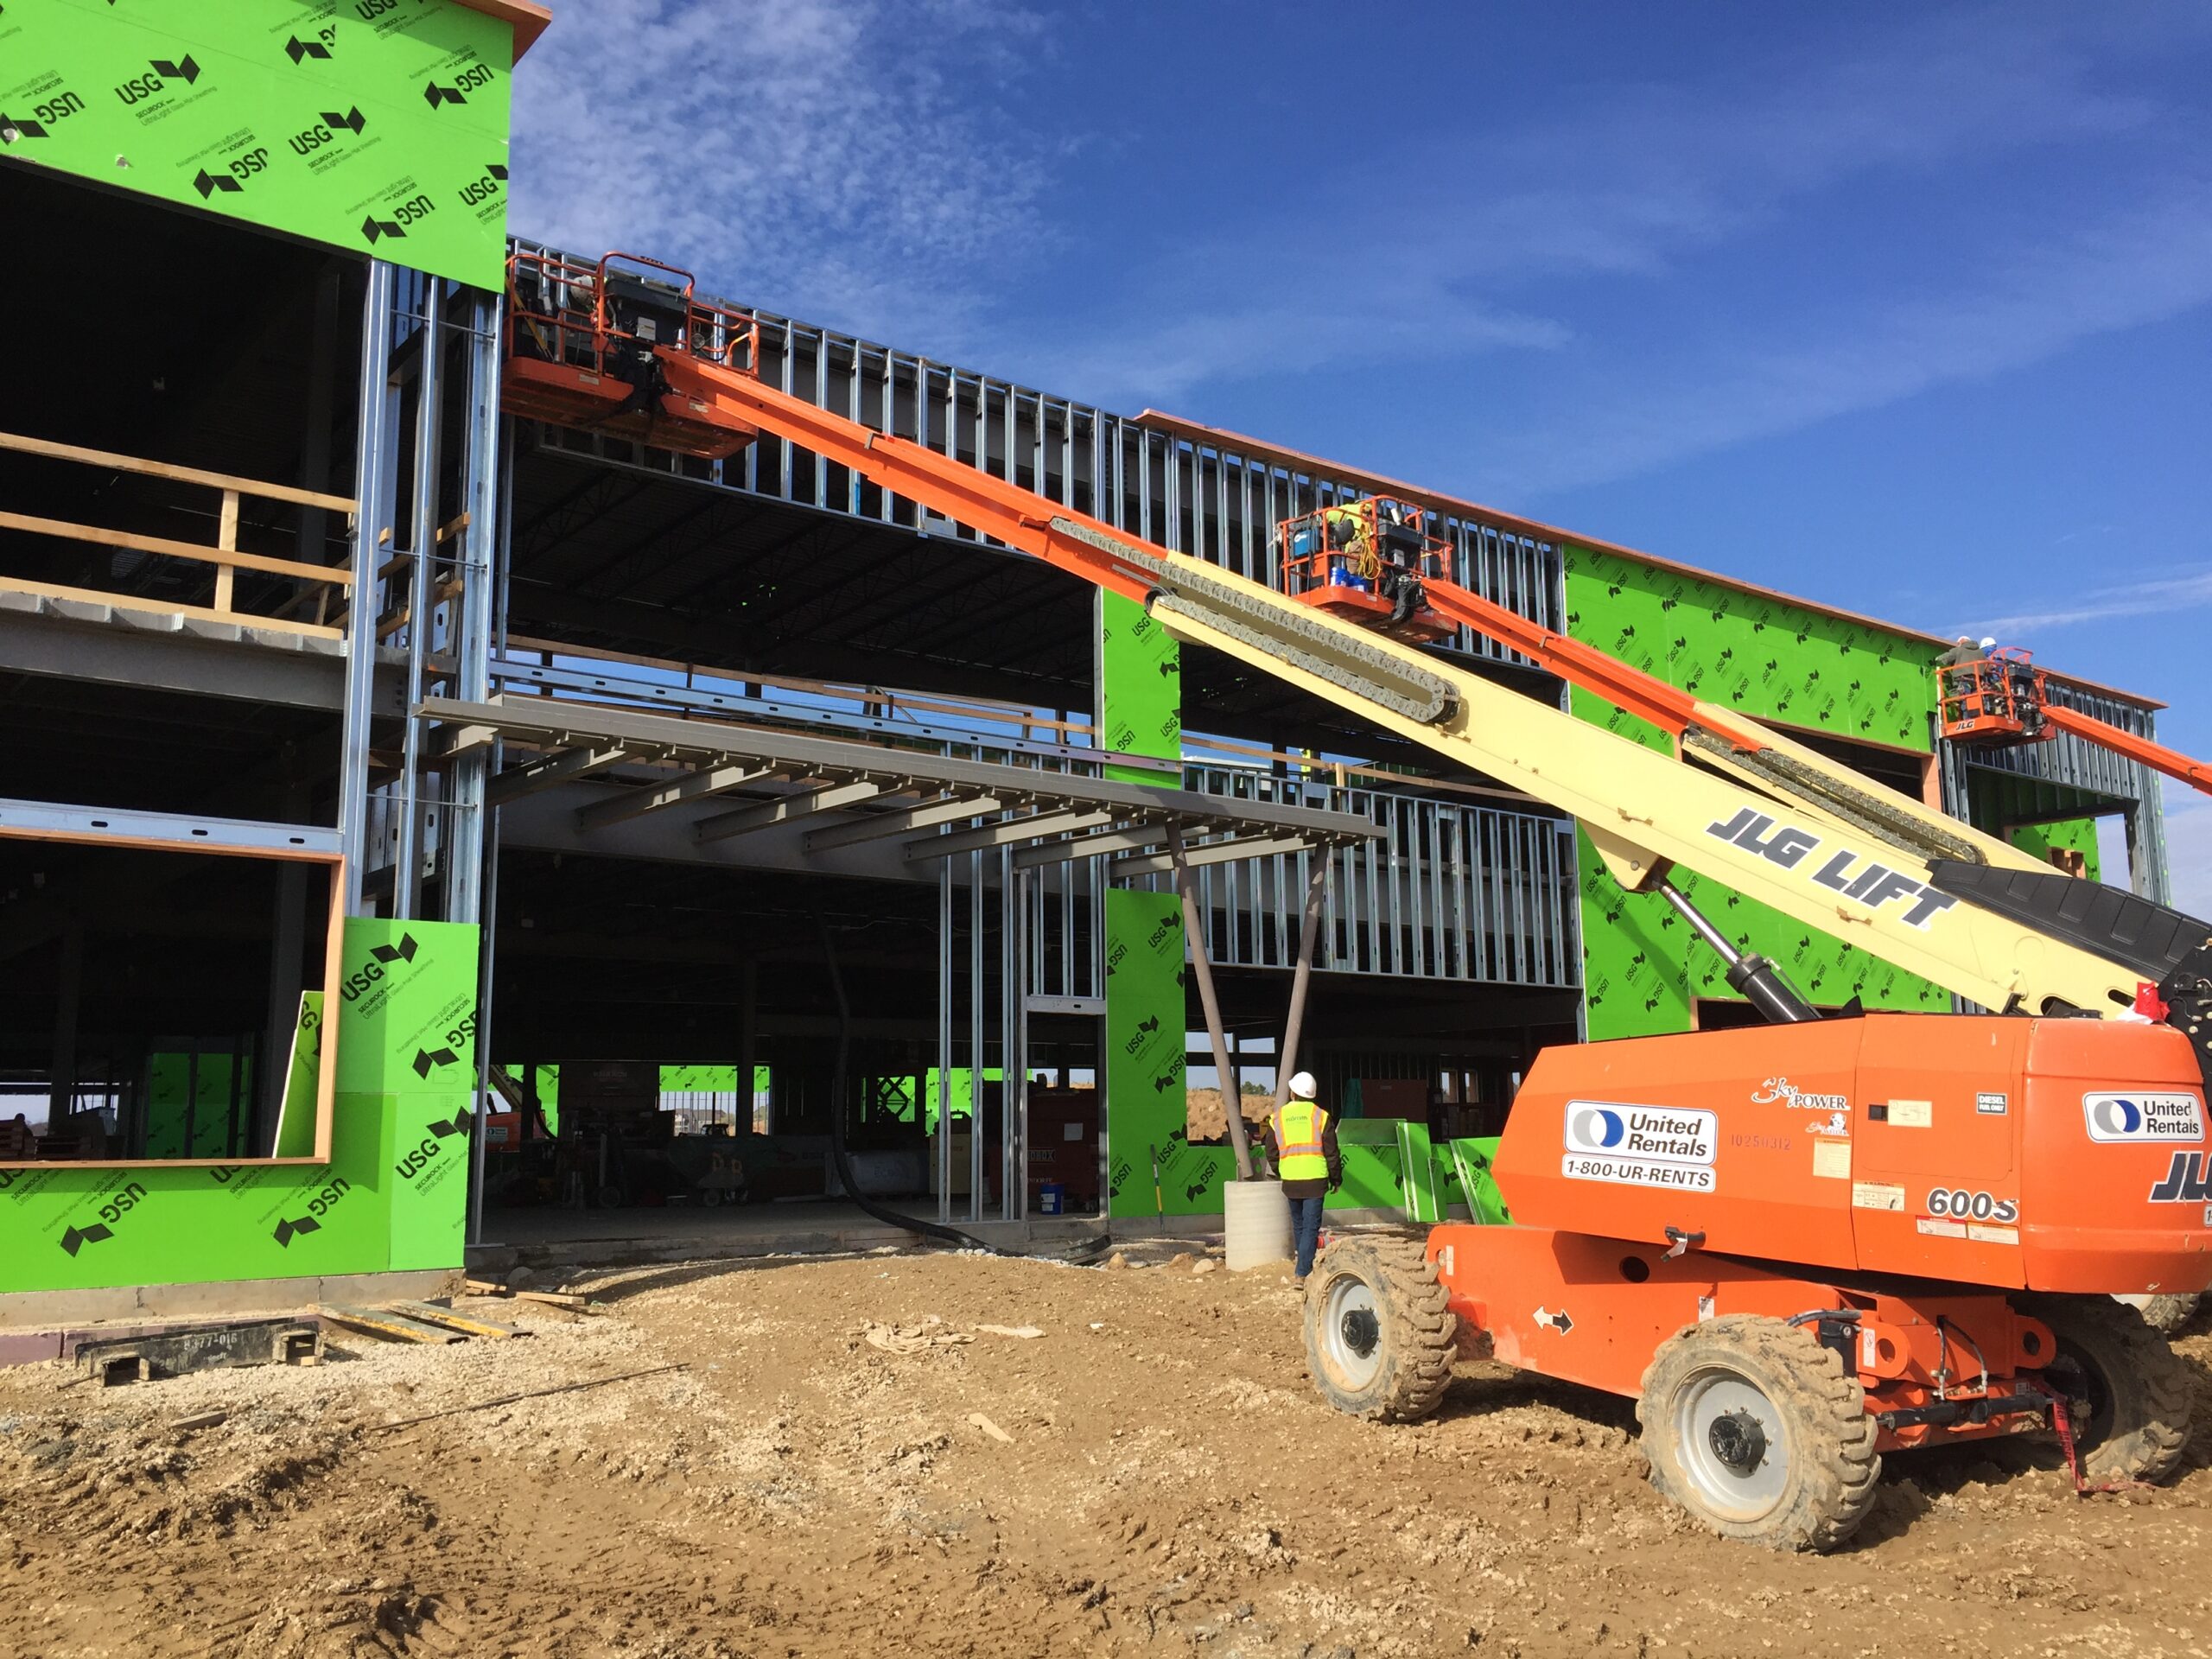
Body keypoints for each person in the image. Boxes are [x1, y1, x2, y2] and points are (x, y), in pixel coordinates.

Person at [1265, 1071, 1342, 1288]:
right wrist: (1336, 1178)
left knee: (1300, 1226)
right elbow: (1332, 1151)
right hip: (1315, 1180)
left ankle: (1304, 1270)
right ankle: (1302, 1272)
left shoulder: (1277, 1118)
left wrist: (1281, 1170)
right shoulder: (1321, 1116)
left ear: (1292, 1093)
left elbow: (1271, 1151)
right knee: (1310, 1228)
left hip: (1291, 1180)